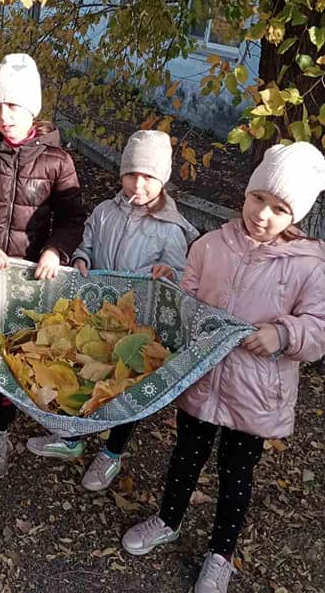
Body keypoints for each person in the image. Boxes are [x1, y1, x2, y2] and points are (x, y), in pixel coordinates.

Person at [121, 142, 325, 593]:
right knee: (185, 456)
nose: (263, 214)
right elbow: (189, 293)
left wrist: (283, 335)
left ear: (294, 216)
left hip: (254, 394)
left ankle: (220, 553)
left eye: (279, 209)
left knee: (236, 475)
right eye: (258, 198)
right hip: (202, 381)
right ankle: (168, 519)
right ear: (246, 192)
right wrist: (174, 300)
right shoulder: (210, 245)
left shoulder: (304, 267)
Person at [26, 129, 198, 491]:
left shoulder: (171, 230)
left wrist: (169, 274)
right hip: (98, 313)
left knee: (125, 389)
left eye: (148, 177)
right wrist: (83, 257)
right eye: (131, 174)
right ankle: (71, 437)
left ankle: (111, 452)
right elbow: (86, 243)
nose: (138, 183)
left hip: (138, 324)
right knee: (88, 377)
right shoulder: (105, 212)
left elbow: (183, 275)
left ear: (162, 180)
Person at [0, 52, 85, 478]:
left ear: (33, 108)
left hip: (27, 285)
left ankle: (1, 431)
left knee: (16, 360)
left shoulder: (57, 161)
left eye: (14, 106)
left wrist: (54, 251)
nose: (5, 115)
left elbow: (72, 218)